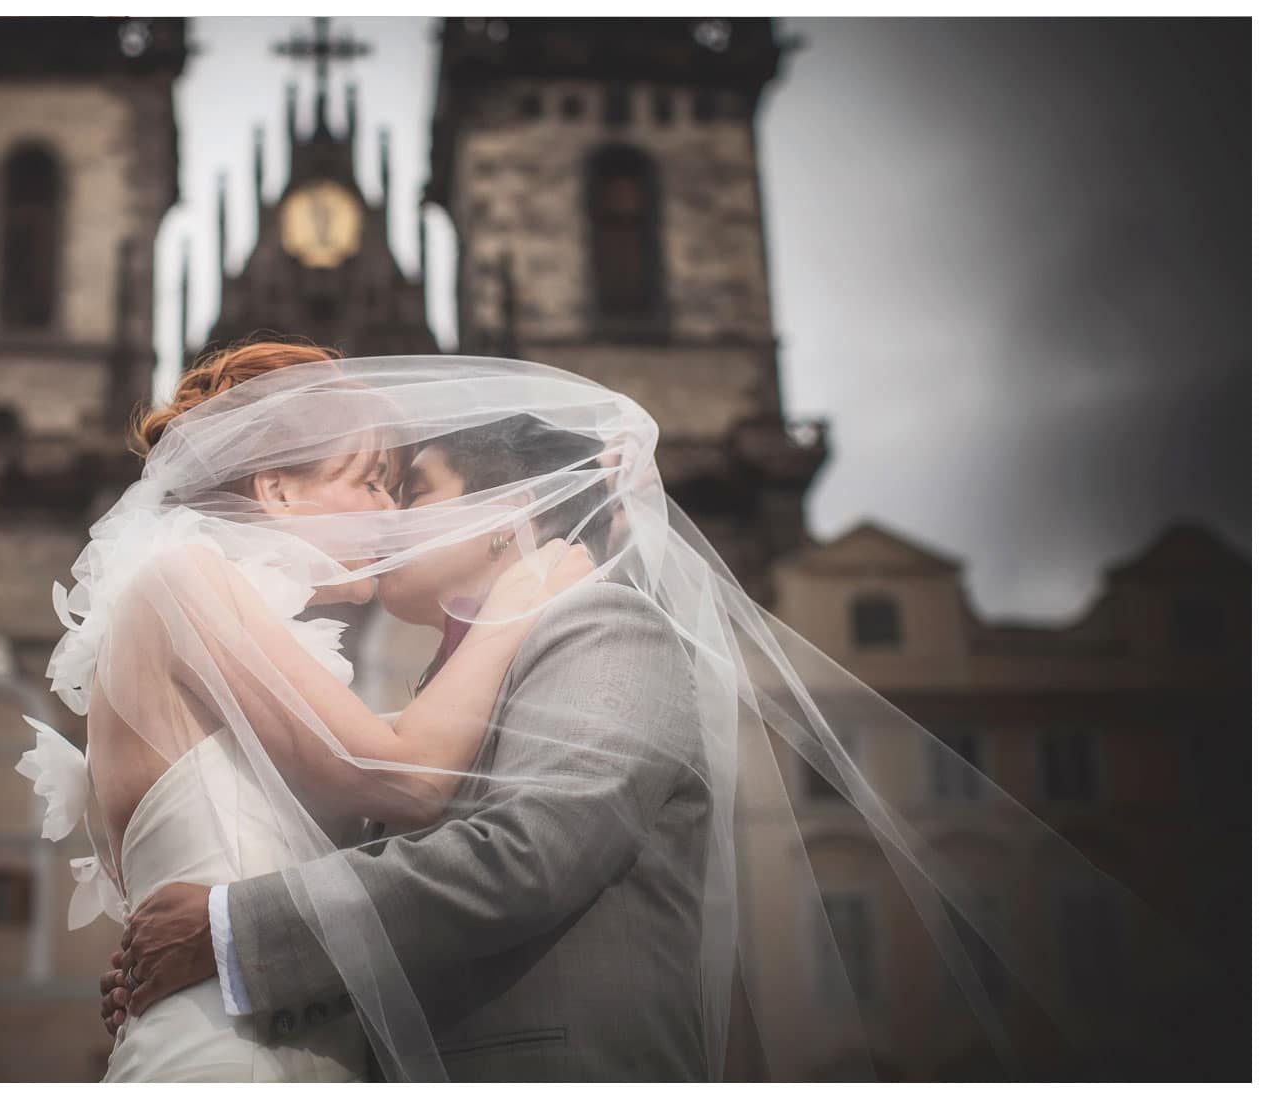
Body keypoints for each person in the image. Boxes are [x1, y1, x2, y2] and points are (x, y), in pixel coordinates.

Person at [66, 352, 1228, 1082]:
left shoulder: (604, 632)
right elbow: (401, 807)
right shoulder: (269, 620)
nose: (387, 515)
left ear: (514, 510)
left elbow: (515, 856)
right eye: (374, 481)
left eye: (409, 487)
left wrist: (227, 928)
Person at [16, 341, 591, 1082]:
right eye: (374, 482)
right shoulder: (183, 579)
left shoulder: (243, 625)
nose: (393, 512)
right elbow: (406, 775)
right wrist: (512, 604)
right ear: (278, 491)